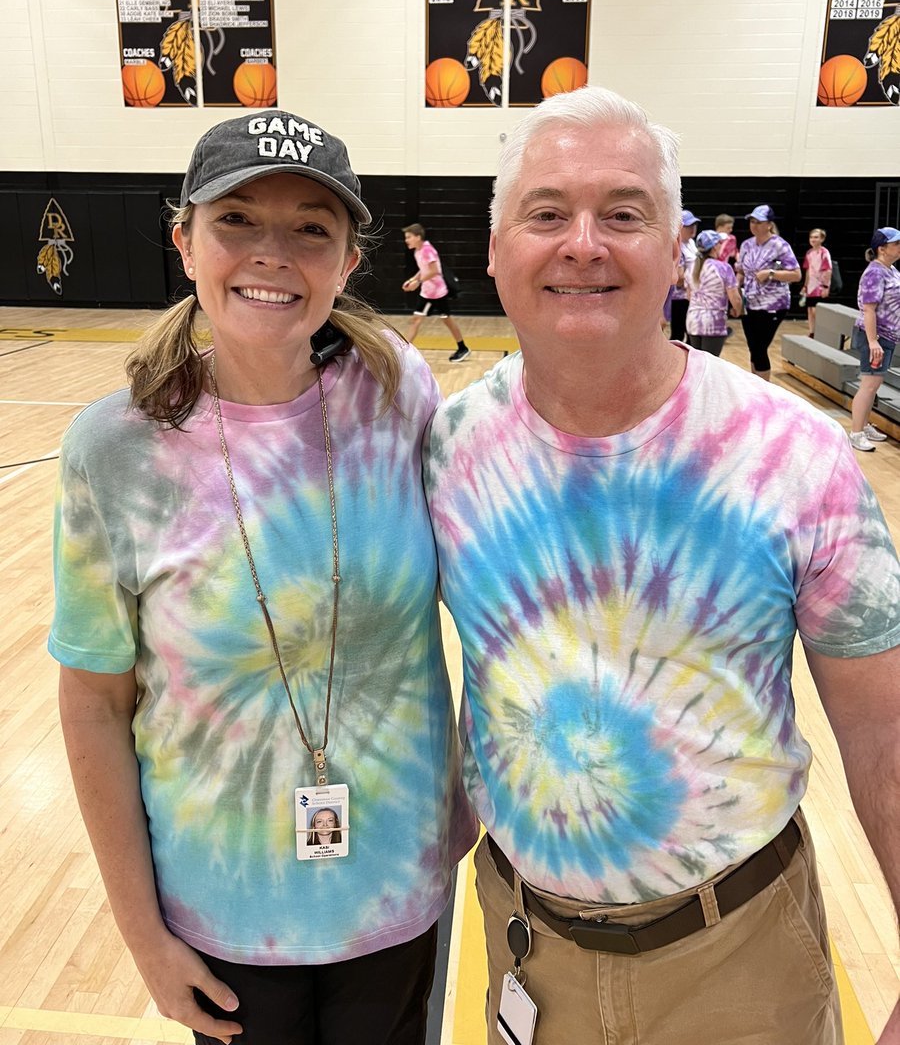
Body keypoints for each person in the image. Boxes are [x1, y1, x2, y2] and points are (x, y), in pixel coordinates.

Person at [424, 86, 900, 1045]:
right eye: (547, 213)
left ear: (676, 251)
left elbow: (887, 740)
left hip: (741, 957)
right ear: (494, 250)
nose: (584, 242)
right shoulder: (448, 447)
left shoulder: (794, 455)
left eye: (625, 213)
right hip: (527, 947)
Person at [50, 110, 477, 1045]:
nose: (272, 254)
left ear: (347, 261)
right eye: (237, 219)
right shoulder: (115, 449)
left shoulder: (397, 391)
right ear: (185, 242)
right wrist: (141, 937)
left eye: (311, 229)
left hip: (397, 885)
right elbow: (90, 701)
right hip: (222, 904)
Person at [735, 205, 802, 380]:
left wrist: (771, 274)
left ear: (769, 225)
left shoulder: (780, 245)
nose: (754, 225)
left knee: (759, 347)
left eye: (759, 222)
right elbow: (741, 272)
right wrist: (735, 296)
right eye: (752, 221)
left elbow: (796, 274)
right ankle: (754, 385)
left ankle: (764, 389)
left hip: (773, 304)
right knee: (753, 347)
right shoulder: (747, 245)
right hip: (749, 302)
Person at [848, 226, 900, 452]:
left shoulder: (892, 270)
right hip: (876, 337)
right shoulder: (875, 273)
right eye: (896, 243)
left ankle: (864, 425)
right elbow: (869, 310)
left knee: (874, 384)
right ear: (882, 248)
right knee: (869, 385)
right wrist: (872, 341)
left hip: (888, 337)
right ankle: (856, 432)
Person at [401, 223, 470, 361]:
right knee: (417, 320)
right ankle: (404, 351)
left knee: (446, 320)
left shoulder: (427, 250)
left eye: (409, 237)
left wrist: (418, 283)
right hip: (427, 292)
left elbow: (434, 271)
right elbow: (424, 269)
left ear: (418, 237)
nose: (406, 240)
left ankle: (463, 348)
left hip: (437, 293)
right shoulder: (418, 251)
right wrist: (412, 279)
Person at [685, 228, 743, 355]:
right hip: (713, 323)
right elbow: (735, 298)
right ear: (715, 246)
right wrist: (737, 310)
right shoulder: (724, 268)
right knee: (710, 366)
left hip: (693, 321)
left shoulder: (691, 268)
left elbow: (689, 296)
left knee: (698, 365)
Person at [668, 210, 699, 342]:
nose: (692, 228)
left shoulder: (691, 243)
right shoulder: (676, 246)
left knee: (691, 332)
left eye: (694, 225)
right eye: (688, 226)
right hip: (679, 298)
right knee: (679, 332)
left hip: (692, 295)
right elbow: (679, 279)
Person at [801, 227, 833, 337]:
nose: (813, 239)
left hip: (819, 287)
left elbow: (828, 270)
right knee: (810, 309)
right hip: (811, 286)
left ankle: (821, 332)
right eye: (811, 237)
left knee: (816, 310)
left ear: (822, 239)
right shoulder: (809, 253)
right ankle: (812, 331)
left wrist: (825, 286)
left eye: (816, 237)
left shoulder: (824, 253)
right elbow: (808, 270)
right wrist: (805, 285)